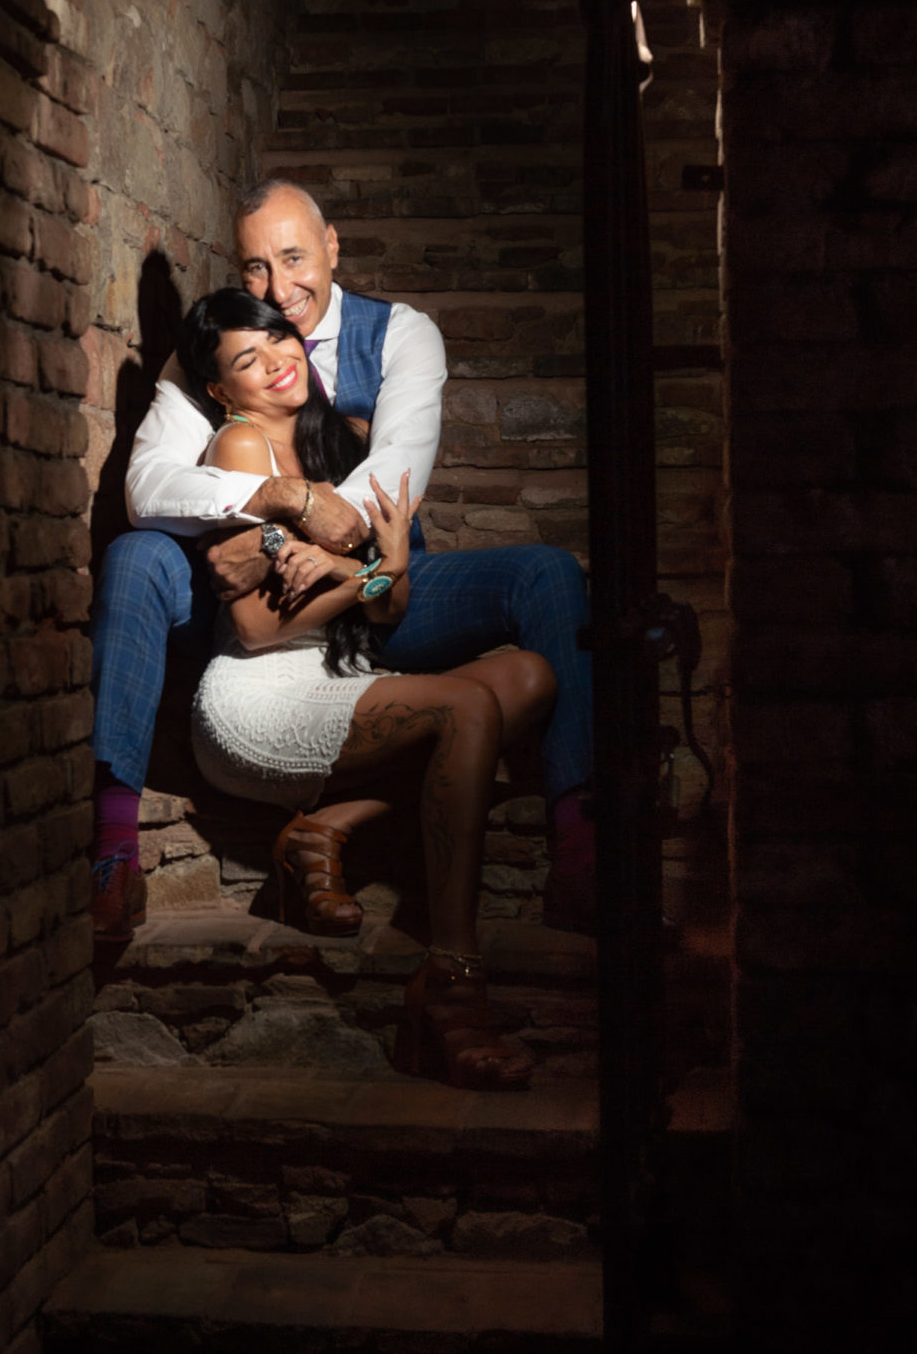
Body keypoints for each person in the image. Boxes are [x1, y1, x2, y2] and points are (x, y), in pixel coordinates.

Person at [89, 179, 593, 938]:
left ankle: (583, 844)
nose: (278, 287)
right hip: (255, 604)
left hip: (370, 595)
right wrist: (279, 508)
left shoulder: (400, 335)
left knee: (548, 575)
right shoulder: (214, 352)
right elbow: (148, 484)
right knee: (135, 555)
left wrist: (317, 553)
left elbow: (397, 474)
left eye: (293, 257)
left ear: (332, 247)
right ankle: (111, 847)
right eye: (255, 267)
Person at [175, 286, 555, 1088]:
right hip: (256, 696)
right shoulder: (242, 448)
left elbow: (400, 602)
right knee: (464, 703)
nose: (277, 361)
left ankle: (328, 826)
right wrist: (371, 572)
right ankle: (452, 983)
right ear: (220, 390)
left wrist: (375, 572)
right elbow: (254, 627)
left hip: (335, 674)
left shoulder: (341, 442)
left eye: (278, 340)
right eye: (247, 357)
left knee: (527, 675)